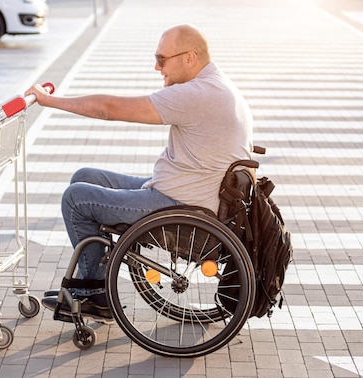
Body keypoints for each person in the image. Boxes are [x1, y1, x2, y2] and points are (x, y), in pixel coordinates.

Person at [25, 24, 253, 323]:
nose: (156, 67)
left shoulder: (198, 94)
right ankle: (92, 280)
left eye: (162, 59)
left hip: (180, 205)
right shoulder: (216, 84)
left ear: (189, 58)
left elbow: (108, 109)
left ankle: (96, 295)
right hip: (182, 193)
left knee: (76, 198)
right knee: (86, 176)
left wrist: (50, 100)